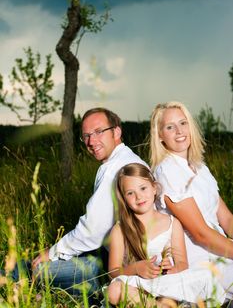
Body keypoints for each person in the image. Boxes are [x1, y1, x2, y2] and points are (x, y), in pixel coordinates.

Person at [32, 108, 147, 296]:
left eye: (99, 132)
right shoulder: (124, 159)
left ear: (116, 132)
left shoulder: (116, 169)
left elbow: (92, 231)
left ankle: (97, 292)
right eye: (86, 136)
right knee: (40, 262)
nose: (91, 142)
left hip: (124, 265)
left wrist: (53, 253)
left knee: (40, 270)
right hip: (110, 251)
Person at [107, 163, 225, 307]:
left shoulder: (172, 223)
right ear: (124, 199)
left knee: (202, 279)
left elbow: (182, 263)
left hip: (167, 284)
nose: (138, 197)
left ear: (154, 188)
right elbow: (113, 271)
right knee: (114, 291)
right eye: (130, 193)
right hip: (139, 284)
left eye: (143, 188)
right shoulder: (120, 229)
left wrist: (171, 270)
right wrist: (136, 268)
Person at [150, 101, 233, 301]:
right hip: (199, 256)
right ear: (160, 136)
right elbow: (200, 234)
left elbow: (227, 218)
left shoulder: (199, 166)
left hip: (220, 246)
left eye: (183, 123)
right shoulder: (167, 171)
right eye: (170, 127)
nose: (179, 131)